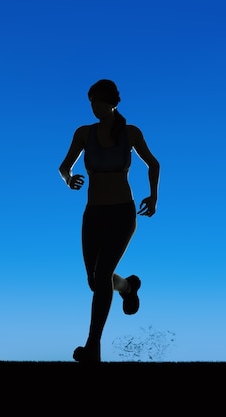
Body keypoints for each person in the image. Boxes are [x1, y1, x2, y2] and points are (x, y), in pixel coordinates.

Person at [58, 79, 160, 363]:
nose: (94, 106)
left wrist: (153, 197)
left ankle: (93, 347)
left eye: (99, 101)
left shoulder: (130, 133)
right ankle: (128, 286)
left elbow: (153, 163)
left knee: (102, 277)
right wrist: (69, 180)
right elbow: (64, 167)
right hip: (93, 214)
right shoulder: (83, 133)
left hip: (121, 213)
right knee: (95, 281)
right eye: (91, 101)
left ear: (113, 102)